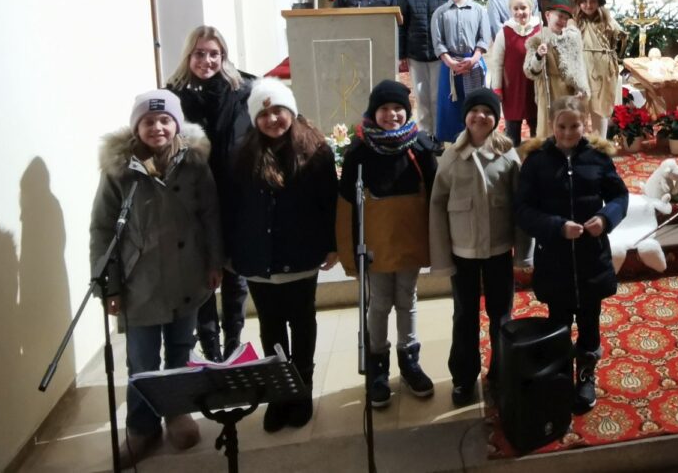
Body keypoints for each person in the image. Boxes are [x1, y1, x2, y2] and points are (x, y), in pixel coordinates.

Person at [91, 89, 221, 460]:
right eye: (149, 121)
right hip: (139, 283)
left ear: (176, 123)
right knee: (142, 361)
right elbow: (102, 229)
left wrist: (214, 263)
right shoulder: (120, 170)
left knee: (180, 350)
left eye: (165, 120)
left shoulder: (195, 163)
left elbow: (210, 215)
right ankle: (141, 427)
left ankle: (177, 411)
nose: (158, 127)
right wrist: (109, 285)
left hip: (186, 275)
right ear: (137, 126)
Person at [224, 79, 337, 432]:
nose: (272, 119)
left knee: (302, 326)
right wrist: (231, 250)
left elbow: (329, 202)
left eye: (278, 111)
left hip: (300, 257)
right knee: (271, 329)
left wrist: (332, 244)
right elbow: (233, 209)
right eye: (265, 113)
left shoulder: (316, 150)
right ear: (255, 118)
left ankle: (301, 392)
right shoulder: (241, 155)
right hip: (259, 260)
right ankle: (279, 395)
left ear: (291, 111)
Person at [516, 96, 628, 414]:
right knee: (559, 323)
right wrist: (555, 226)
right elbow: (523, 210)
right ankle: (561, 374)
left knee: (590, 323)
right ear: (551, 125)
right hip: (555, 259)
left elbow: (619, 195)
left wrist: (606, 218)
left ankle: (587, 374)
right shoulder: (537, 161)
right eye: (562, 126)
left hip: (592, 258)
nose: (568, 133)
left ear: (585, 125)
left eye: (574, 126)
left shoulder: (597, 157)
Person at [336, 80, 437, 408]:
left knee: (407, 300)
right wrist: (349, 251)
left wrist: (436, 244)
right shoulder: (358, 153)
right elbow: (348, 206)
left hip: (409, 240)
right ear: (373, 112)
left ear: (406, 112)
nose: (391, 115)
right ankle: (378, 367)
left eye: (398, 109)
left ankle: (409, 360)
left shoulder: (420, 147)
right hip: (376, 244)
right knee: (379, 303)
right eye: (384, 108)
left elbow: (435, 198)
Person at [430, 88, 525, 406]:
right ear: (465, 117)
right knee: (464, 314)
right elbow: (437, 207)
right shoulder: (451, 156)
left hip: (498, 249)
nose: (480, 117)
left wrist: (524, 253)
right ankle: (463, 377)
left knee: (501, 315)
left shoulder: (508, 154)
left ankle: (501, 371)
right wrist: (442, 258)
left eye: (488, 112)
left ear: (496, 119)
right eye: (475, 111)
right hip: (463, 252)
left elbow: (521, 207)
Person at [166, 26, 253, 362]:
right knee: (203, 274)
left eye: (213, 54)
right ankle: (210, 347)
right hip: (194, 198)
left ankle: (234, 342)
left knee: (235, 272)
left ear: (223, 56)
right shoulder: (173, 96)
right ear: (190, 56)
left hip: (234, 193)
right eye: (200, 53)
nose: (207, 60)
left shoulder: (242, 89)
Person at [430, 0, 491, 143]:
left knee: (474, 103)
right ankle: (453, 142)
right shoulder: (440, 13)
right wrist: (450, 62)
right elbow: (438, 42)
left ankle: (477, 137)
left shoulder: (479, 10)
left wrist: (473, 59)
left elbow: (483, 38)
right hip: (450, 65)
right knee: (450, 105)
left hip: (473, 62)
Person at [399, 0, 449, 137]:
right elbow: (402, 26)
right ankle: (424, 134)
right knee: (422, 97)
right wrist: (401, 54)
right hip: (416, 53)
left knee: (437, 96)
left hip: (439, 54)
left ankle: (438, 134)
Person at [524, 0, 589, 139]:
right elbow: (530, 71)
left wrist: (580, 87)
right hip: (548, 90)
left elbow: (578, 66)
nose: (562, 21)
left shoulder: (571, 39)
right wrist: (538, 56)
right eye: (559, 16)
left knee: (568, 124)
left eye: (566, 18)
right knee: (549, 128)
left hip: (567, 90)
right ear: (548, 15)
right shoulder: (537, 40)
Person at [486, 0, 541, 145]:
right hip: (512, 88)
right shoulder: (504, 32)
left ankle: (536, 159)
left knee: (536, 127)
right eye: (515, 8)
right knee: (512, 130)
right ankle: (513, 160)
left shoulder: (539, 29)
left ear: (530, 8)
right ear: (510, 10)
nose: (520, 12)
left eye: (523, 8)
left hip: (533, 86)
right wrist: (497, 87)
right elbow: (497, 62)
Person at [572, 0, 623, 139]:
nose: (588, 5)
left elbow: (619, 38)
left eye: (592, 1)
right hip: (582, 70)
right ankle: (578, 145)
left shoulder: (607, 21)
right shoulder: (575, 22)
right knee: (580, 109)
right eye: (584, 1)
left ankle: (599, 142)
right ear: (579, 3)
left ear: (598, 3)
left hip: (602, 72)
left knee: (599, 108)